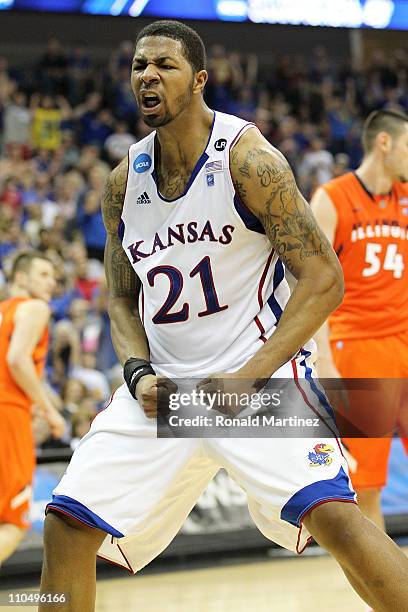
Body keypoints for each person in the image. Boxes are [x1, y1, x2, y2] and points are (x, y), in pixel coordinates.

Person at [39, 21, 408, 612]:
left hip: (255, 377)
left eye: (164, 65)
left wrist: (249, 376)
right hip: (168, 395)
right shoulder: (120, 185)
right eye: (139, 66)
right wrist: (136, 371)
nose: (148, 76)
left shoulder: (250, 160)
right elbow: (119, 296)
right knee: (64, 524)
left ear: (201, 79)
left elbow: (323, 279)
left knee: (336, 518)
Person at [311, 109, 408, 530]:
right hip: (357, 350)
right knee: (365, 486)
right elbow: (312, 284)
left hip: (403, 340)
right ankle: (384, 597)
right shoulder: (331, 198)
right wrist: (327, 360)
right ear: (384, 143)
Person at [0, 251, 65, 566]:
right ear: (21, 278)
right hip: (8, 413)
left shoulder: (3, 312)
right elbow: (16, 359)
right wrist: (49, 409)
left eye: (53, 276)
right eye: (43, 275)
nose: (51, 282)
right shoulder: (36, 307)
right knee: (14, 521)